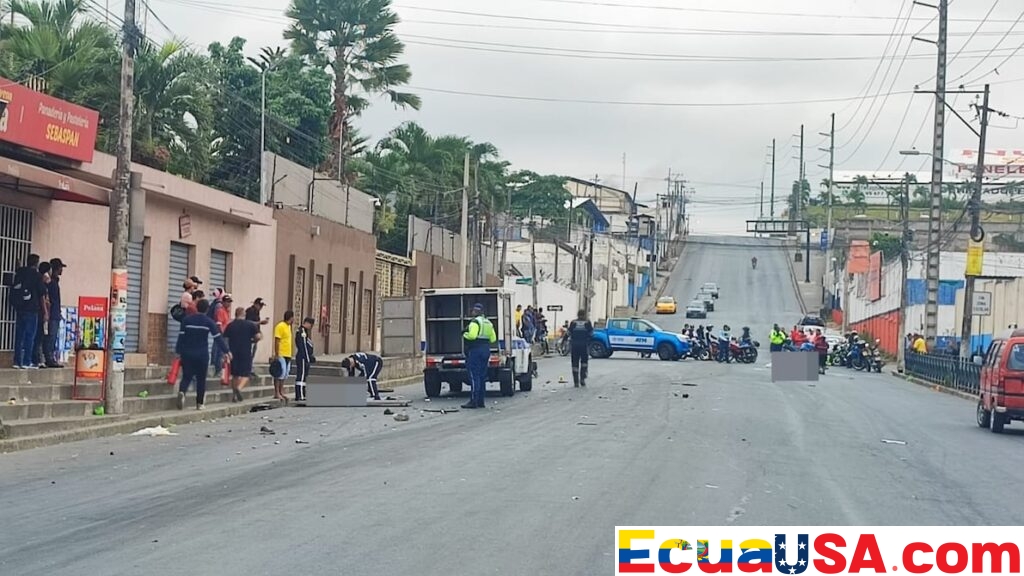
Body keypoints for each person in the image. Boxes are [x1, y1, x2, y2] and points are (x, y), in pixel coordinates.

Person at [176, 299, 230, 411]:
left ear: (197, 307)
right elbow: (218, 337)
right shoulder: (208, 321)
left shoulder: (186, 320)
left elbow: (181, 337)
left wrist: (178, 352)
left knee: (186, 376)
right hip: (202, 354)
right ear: (207, 309)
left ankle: (182, 392)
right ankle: (199, 403)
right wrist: (226, 351)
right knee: (201, 379)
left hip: (187, 353)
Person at [11, 254, 44, 369]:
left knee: (19, 335)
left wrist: (18, 264)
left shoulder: (20, 272)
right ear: (37, 263)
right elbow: (42, 292)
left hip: (20, 308)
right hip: (32, 309)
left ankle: (16, 361)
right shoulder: (37, 275)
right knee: (30, 336)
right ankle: (26, 361)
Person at [462, 302, 496, 409]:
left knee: (473, 376)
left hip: (475, 350)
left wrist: (464, 334)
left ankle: (473, 401)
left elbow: (472, 336)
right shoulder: (488, 323)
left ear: (475, 312)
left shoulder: (474, 323)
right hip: (486, 349)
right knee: (482, 376)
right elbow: (493, 339)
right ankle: (481, 401)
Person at [223, 306, 260, 403]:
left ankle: (234, 396)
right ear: (244, 314)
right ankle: (239, 388)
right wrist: (254, 340)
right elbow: (257, 336)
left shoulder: (230, 325)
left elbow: (225, 339)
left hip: (233, 352)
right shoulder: (250, 325)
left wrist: (226, 352)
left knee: (235, 375)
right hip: (245, 351)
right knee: (246, 374)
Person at [43, 258, 66, 367]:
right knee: (50, 337)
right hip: (51, 314)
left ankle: (50, 357)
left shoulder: (54, 281)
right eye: (61, 267)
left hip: (55, 313)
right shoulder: (50, 282)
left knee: (53, 337)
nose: (62, 270)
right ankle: (49, 358)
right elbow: (49, 299)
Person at [272, 311, 295, 403]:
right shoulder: (280, 326)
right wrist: (277, 354)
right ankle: (276, 392)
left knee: (285, 374)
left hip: (287, 354)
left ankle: (281, 391)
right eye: (293, 318)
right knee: (279, 373)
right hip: (281, 353)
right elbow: (277, 340)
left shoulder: (289, 327)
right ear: (290, 317)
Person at [567, 309, 593, 388]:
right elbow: (591, 334)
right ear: (584, 314)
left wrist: (564, 341)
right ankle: (582, 379)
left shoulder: (573, 323)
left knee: (575, 363)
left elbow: (568, 333)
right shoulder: (587, 323)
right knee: (584, 363)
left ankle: (576, 381)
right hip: (584, 346)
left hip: (574, 346)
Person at [208, 289, 231, 377]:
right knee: (219, 351)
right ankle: (217, 368)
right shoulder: (220, 309)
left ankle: (217, 367)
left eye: (230, 302)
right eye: (228, 302)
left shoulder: (225, 310)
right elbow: (219, 323)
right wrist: (222, 334)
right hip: (221, 333)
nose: (229, 304)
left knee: (219, 351)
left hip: (223, 333)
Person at [245, 297, 270, 377]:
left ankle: (250, 369)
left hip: (255, 335)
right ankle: (247, 370)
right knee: (249, 353)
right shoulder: (250, 311)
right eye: (260, 305)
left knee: (252, 353)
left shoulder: (257, 312)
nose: (261, 307)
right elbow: (248, 322)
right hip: (249, 335)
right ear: (255, 304)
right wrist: (260, 322)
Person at [293, 317, 316, 403]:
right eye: (311, 325)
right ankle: (300, 395)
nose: (311, 327)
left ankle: (302, 394)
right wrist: (307, 358)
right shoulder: (302, 331)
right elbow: (303, 346)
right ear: (308, 323)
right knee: (301, 376)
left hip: (304, 357)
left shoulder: (303, 331)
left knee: (303, 376)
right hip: (302, 357)